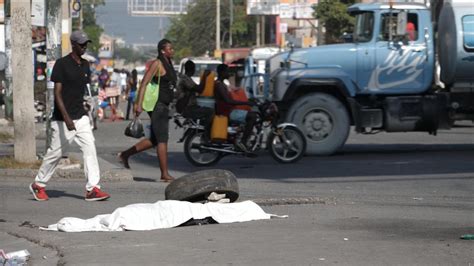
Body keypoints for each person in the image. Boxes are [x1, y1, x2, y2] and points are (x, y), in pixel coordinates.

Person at [29, 30, 110, 202]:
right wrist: (66, 118)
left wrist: (93, 103)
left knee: (90, 149)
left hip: (81, 117)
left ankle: (93, 189)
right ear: (73, 45)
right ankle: (38, 184)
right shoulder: (61, 64)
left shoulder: (86, 65)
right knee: (55, 154)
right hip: (62, 119)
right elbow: (57, 94)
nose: (84, 47)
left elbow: (85, 91)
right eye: (81, 44)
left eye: (86, 44)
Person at [118, 39, 177, 182]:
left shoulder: (169, 63)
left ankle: (125, 155)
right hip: (157, 106)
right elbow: (144, 83)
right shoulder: (157, 64)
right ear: (162, 50)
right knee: (162, 139)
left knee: (155, 140)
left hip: (164, 105)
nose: (172, 50)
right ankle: (164, 174)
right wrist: (138, 104)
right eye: (170, 48)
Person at [214, 64, 256, 152]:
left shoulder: (221, 84)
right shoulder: (219, 85)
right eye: (227, 71)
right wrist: (246, 102)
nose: (229, 73)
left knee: (247, 112)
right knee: (252, 116)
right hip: (227, 112)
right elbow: (228, 101)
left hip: (228, 110)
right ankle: (243, 142)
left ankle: (240, 135)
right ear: (222, 73)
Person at [176, 60, 214, 142]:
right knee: (211, 112)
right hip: (188, 108)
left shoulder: (185, 78)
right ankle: (206, 135)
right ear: (193, 69)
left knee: (206, 112)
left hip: (188, 107)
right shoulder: (185, 79)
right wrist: (204, 77)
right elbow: (199, 89)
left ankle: (203, 131)